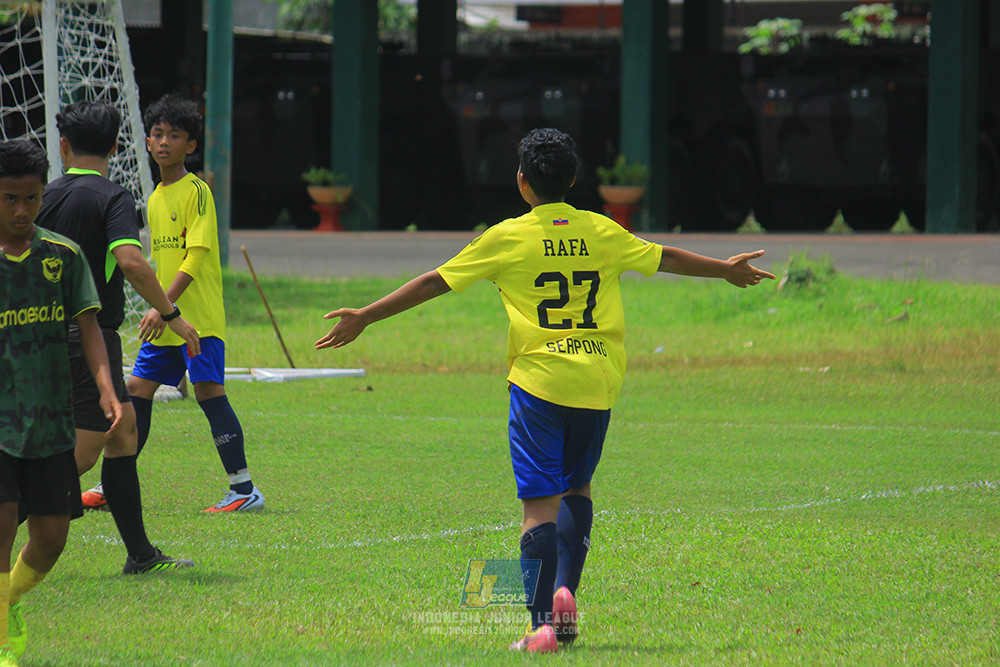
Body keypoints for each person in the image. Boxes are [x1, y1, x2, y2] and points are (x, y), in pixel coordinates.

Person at [315, 128, 775, 653]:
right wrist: (726, 270)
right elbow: (663, 255)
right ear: (574, 179)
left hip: (540, 383)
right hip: (599, 380)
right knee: (576, 489)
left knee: (538, 507)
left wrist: (366, 316)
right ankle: (563, 594)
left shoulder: (508, 235)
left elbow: (434, 281)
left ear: (521, 181)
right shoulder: (601, 230)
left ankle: (538, 626)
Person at [34, 100, 197, 573]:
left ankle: (141, 556)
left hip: (43, 335)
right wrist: (171, 314)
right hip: (86, 337)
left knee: (123, 433)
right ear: (117, 147)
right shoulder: (112, 197)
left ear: (62, 145)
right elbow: (129, 260)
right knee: (82, 452)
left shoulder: (42, 195)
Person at [0, 139, 124, 666]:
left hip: (51, 423)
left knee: (50, 541)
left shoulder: (62, 256)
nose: (22, 210)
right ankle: (4, 644)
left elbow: (89, 326)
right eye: (9, 199)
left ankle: (6, 605)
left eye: (31, 198)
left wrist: (105, 386)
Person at [126, 93, 264, 512]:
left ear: (191, 145)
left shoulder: (196, 190)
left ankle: (244, 490)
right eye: (157, 134)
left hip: (196, 320)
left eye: (174, 134)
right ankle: (117, 480)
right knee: (136, 389)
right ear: (147, 142)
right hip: (167, 318)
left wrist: (162, 305)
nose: (164, 141)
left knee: (207, 392)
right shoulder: (153, 199)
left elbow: (197, 253)